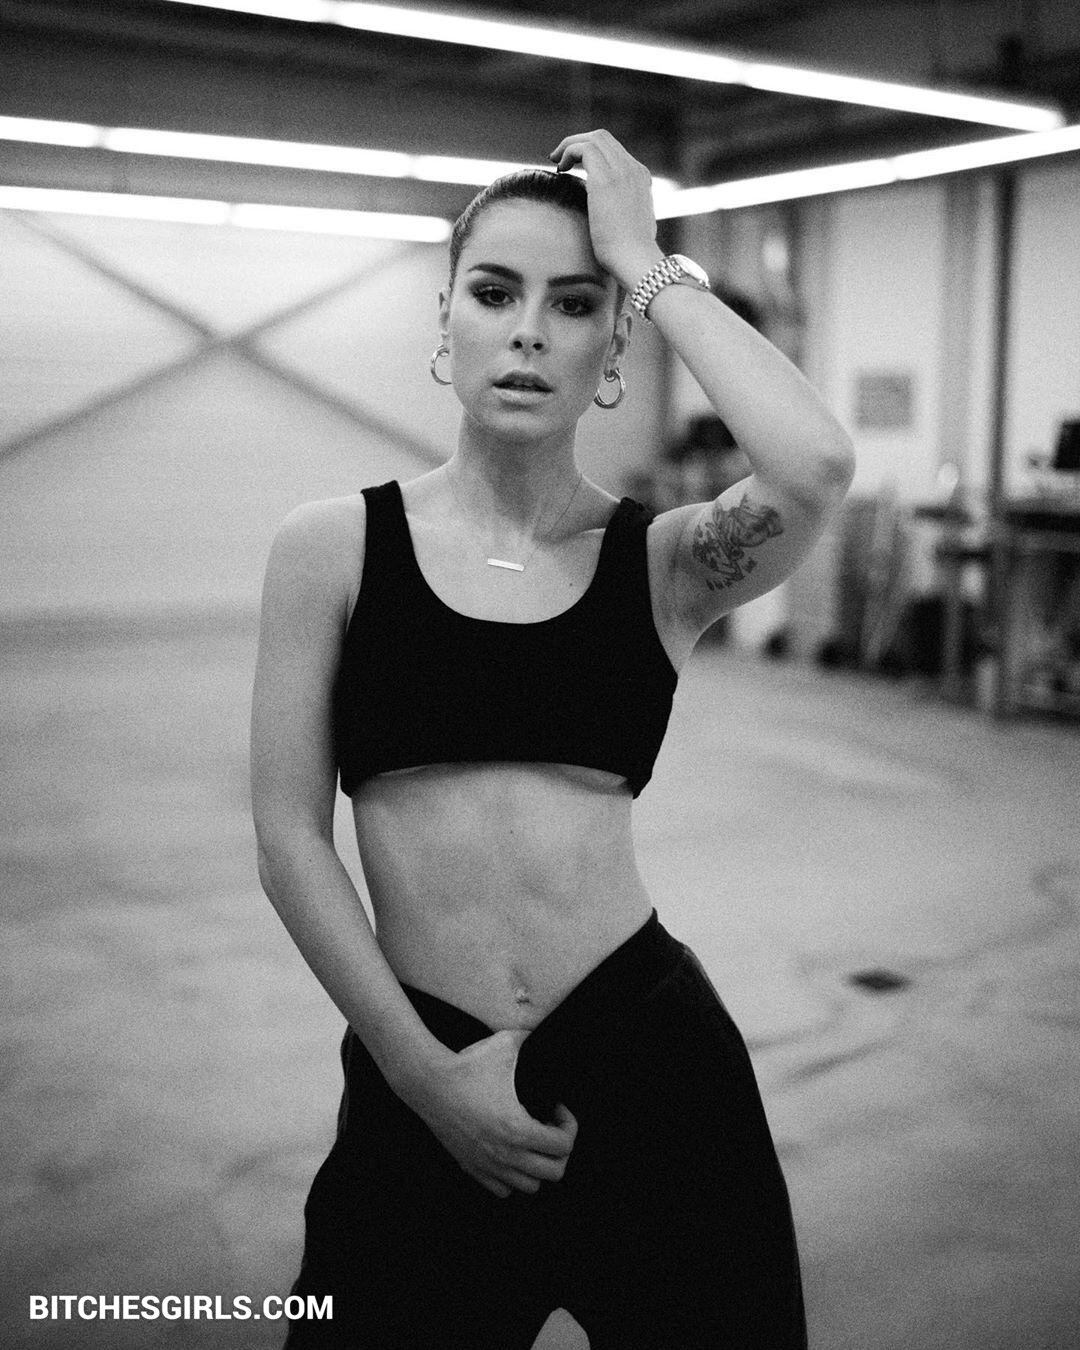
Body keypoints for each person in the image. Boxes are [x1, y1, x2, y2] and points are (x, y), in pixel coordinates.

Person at [250, 128, 855, 1349]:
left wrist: (649, 263)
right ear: (447, 321)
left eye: (574, 305)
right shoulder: (332, 548)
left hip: (655, 1071)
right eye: (494, 292)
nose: (528, 331)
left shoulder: (665, 564)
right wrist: (420, 1074)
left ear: (613, 345)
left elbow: (814, 465)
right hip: (425, 1070)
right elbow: (286, 836)